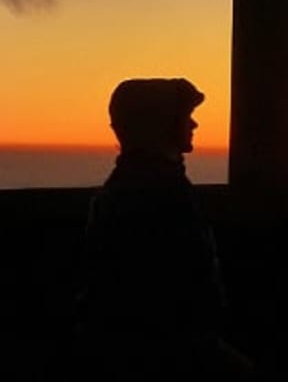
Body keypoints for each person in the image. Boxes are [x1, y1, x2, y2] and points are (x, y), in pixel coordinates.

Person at [76, 78, 251, 380]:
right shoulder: (156, 192)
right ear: (158, 126)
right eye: (184, 117)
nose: (194, 124)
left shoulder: (133, 188)